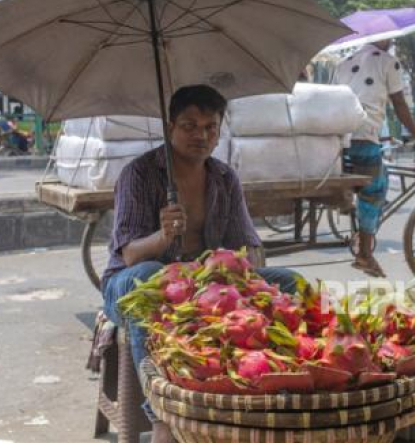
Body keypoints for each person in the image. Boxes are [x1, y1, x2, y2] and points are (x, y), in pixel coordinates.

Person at [102, 85, 299, 443]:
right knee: (150, 278)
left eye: (210, 127)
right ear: (170, 126)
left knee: (288, 282)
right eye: (189, 125)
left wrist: (238, 264)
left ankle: (276, 390)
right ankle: (162, 414)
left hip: (204, 284)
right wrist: (163, 237)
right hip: (129, 285)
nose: (201, 135)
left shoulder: (224, 177)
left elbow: (250, 246)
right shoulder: (140, 174)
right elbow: (129, 255)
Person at [334, 40, 415, 278]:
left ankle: (362, 228)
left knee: (381, 175)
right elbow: (398, 103)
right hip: (364, 136)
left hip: (337, 137)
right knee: (374, 191)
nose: (392, 43)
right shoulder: (388, 61)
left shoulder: (342, 64)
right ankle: (365, 253)